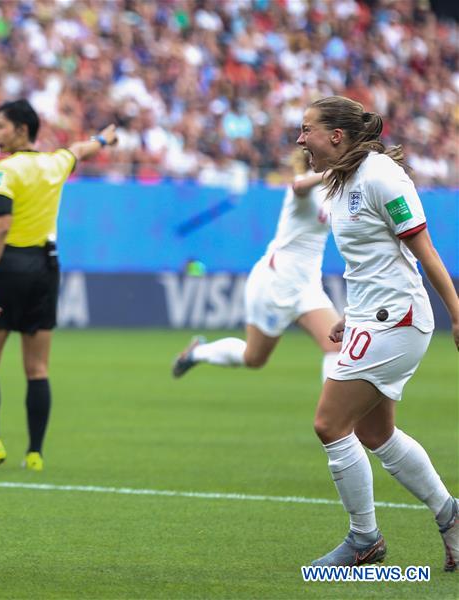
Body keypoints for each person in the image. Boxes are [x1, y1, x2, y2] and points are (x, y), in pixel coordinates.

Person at [296, 96, 458, 570]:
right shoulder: (341, 181)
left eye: (307, 130)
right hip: (376, 316)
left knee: (329, 424)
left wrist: (457, 311)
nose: (300, 139)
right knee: (375, 431)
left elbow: (423, 251)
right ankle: (452, 519)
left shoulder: (382, 176)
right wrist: (354, 314)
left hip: (398, 320)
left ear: (336, 136)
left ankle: (365, 540)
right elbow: (376, 262)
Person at [0, 99, 117, 472]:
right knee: (38, 369)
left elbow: (1, 227)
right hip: (45, 268)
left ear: (21, 129)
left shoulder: (4, 171)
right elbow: (79, 150)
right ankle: (34, 453)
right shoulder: (55, 163)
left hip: (8, 266)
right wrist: (102, 139)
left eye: (1, 127)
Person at [172, 149, 340, 380]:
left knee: (337, 347)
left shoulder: (336, 193)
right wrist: (332, 173)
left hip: (308, 285)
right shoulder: (306, 183)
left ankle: (333, 417)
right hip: (276, 281)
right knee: (254, 358)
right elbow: (298, 186)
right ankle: (198, 353)